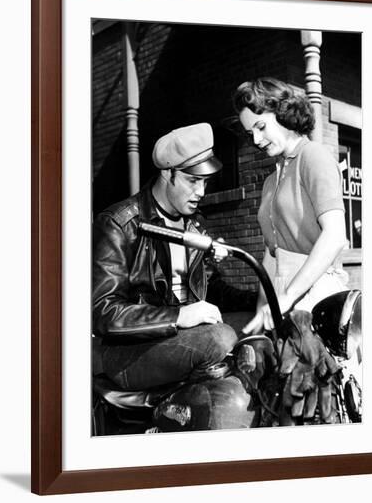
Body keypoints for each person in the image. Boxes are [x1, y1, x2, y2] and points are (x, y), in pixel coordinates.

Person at [93, 122, 253, 392]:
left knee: (256, 327)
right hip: (129, 353)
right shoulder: (119, 223)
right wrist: (178, 316)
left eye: (204, 181)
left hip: (186, 339)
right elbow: (103, 312)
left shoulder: (195, 225)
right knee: (221, 337)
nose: (201, 192)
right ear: (168, 173)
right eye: (192, 180)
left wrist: (258, 300)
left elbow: (211, 290)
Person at [233, 77, 348, 334]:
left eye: (261, 127)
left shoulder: (313, 156)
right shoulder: (271, 180)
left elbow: (335, 235)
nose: (257, 139)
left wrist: (287, 296)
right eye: (250, 132)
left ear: (283, 114)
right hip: (282, 293)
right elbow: (270, 254)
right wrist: (262, 315)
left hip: (316, 291)